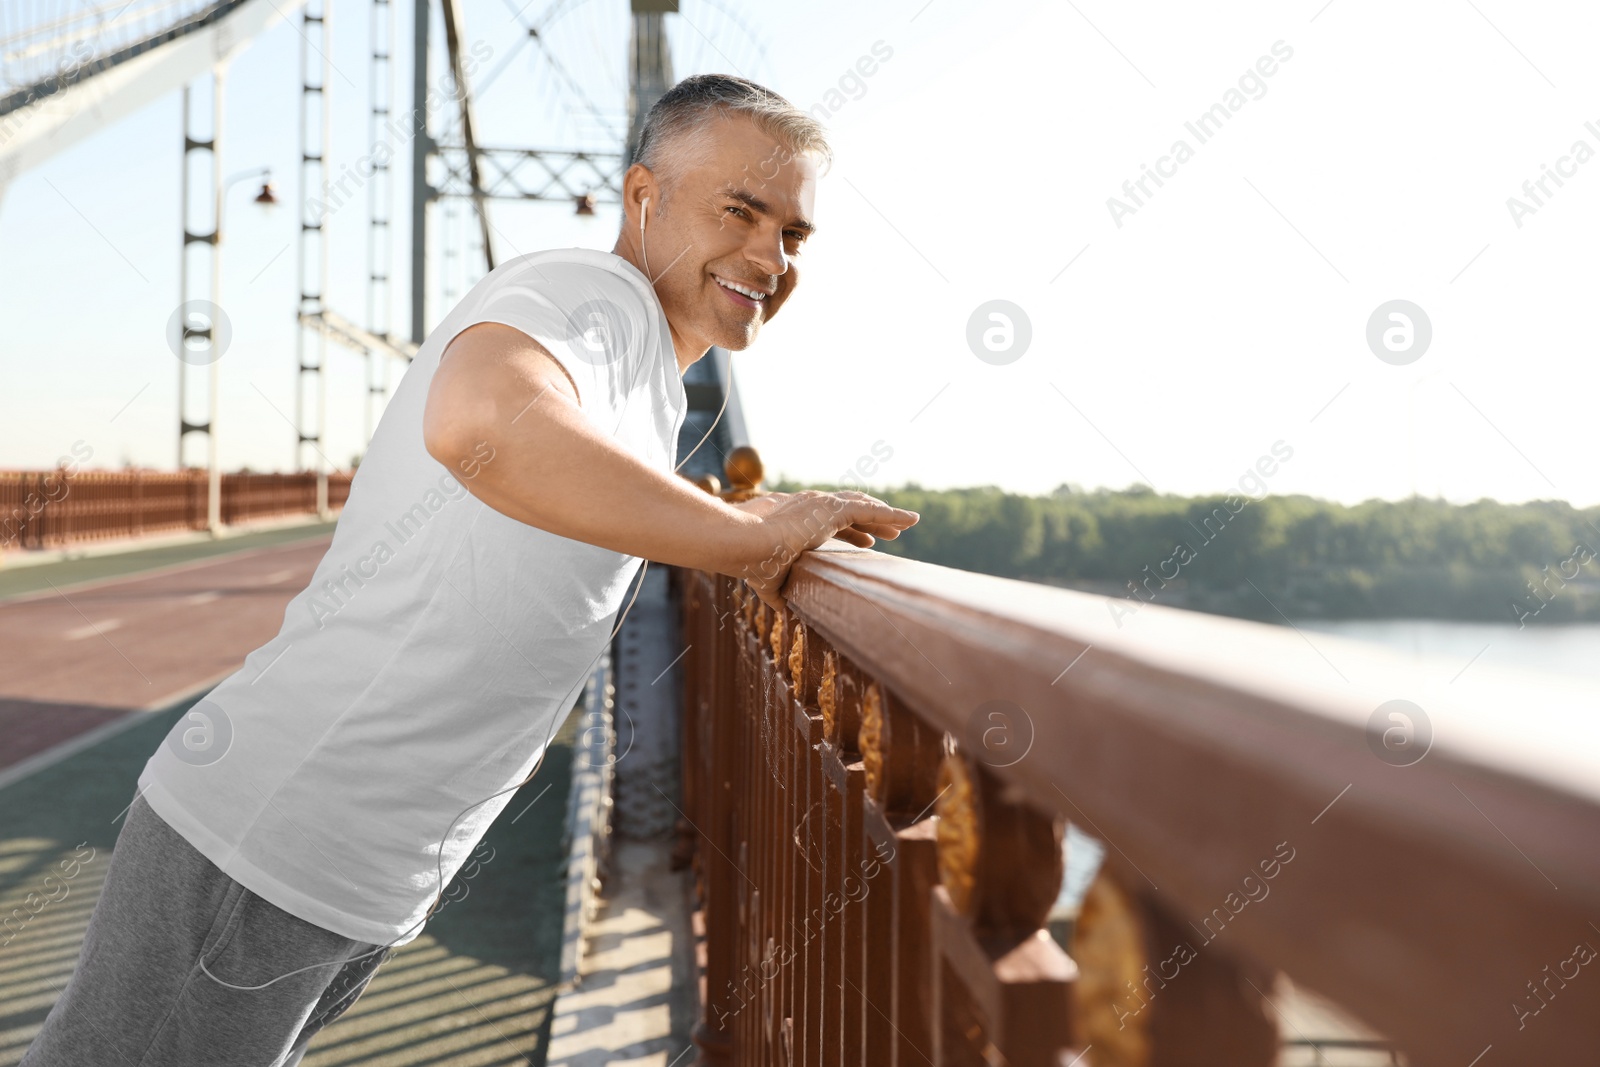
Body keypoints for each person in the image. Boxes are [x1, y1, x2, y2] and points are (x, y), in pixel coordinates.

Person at [21, 72, 917, 1066]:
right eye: (741, 211)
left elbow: (569, 490)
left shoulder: (639, 376)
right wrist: (750, 541)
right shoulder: (593, 297)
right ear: (642, 198)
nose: (770, 254)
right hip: (275, 835)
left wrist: (718, 511)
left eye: (794, 234)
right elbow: (483, 420)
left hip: (354, 865)